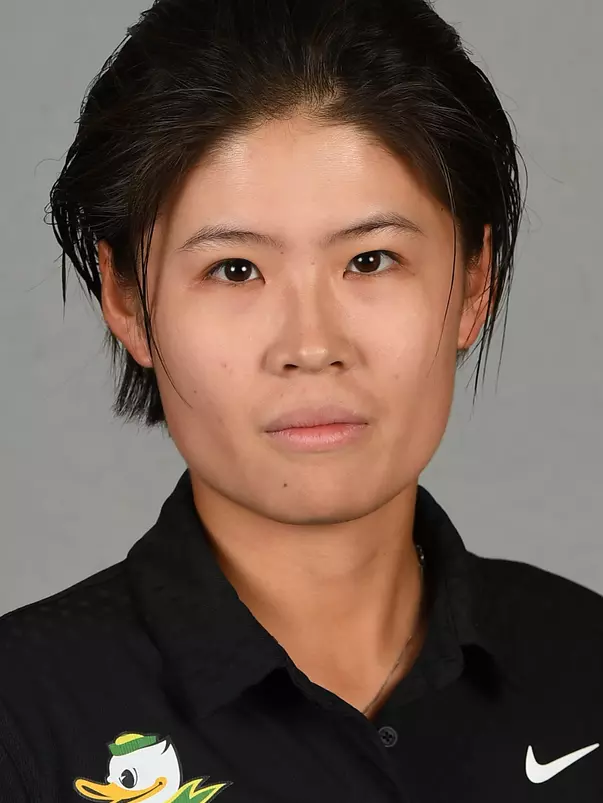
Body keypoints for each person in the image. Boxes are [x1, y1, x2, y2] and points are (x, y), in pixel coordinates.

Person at [1, 0, 602, 800]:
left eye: (371, 259)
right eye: (235, 270)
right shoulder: (24, 716)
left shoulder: (584, 660)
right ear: (127, 300)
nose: (312, 345)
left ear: (471, 281)